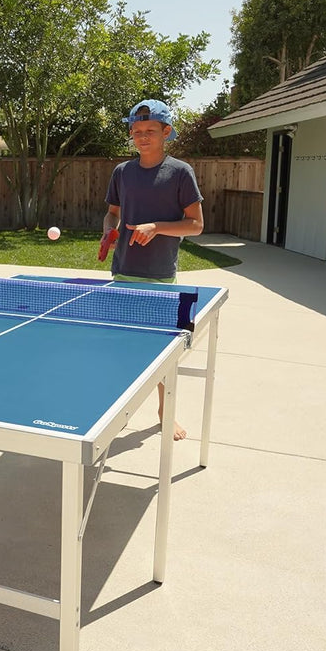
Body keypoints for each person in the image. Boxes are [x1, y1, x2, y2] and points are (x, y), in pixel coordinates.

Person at [101, 98, 204, 441]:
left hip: (160, 274)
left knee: (163, 352)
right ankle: (120, 408)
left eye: (150, 130)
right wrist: (108, 228)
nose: (143, 136)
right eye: (137, 131)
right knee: (121, 346)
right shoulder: (122, 173)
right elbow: (113, 212)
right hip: (123, 273)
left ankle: (165, 410)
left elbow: (195, 225)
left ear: (166, 132)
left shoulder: (180, 172)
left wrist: (156, 227)